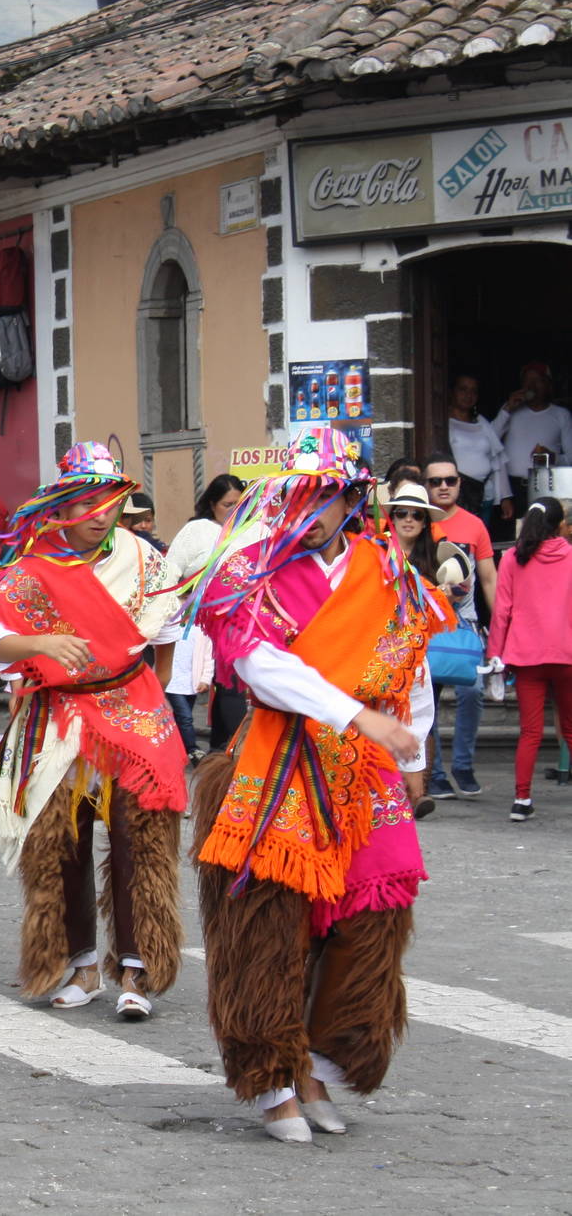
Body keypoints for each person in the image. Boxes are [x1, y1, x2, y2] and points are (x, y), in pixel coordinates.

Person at [188, 425, 443, 1143]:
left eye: (321, 493)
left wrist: (411, 743)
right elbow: (263, 665)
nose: (306, 507)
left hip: (366, 769)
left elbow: (410, 662)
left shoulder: (388, 569)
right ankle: (270, 1073)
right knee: (267, 924)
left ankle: (322, 1065)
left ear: (350, 497)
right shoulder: (248, 570)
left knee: (375, 917)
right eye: (293, 491)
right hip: (277, 756)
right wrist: (356, 714)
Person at [0, 442, 186, 1020]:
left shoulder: (146, 561)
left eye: (109, 501)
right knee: (60, 844)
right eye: (85, 502)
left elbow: (164, 645)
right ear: (62, 506)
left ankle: (138, 969)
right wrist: (39, 644)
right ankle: (81, 964)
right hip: (59, 716)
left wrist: (145, 706)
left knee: (138, 841)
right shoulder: (33, 570)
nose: (98, 513)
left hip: (132, 714)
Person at [487, 496, 572, 824]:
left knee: (530, 732)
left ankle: (522, 799)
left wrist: (495, 652)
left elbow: (502, 611)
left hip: (526, 656)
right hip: (566, 653)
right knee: (569, 727)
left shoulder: (511, 557)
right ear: (560, 525)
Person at [161, 474, 251, 760]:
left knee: (231, 685)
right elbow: (170, 572)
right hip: (194, 621)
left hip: (235, 620)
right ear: (212, 504)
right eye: (228, 505)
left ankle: (225, 750)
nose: (233, 511)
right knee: (185, 688)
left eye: (240, 505)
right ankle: (185, 747)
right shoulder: (197, 531)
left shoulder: (253, 531)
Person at [378, 481, 448, 820]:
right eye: (401, 513)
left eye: (415, 515)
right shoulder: (374, 554)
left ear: (423, 522)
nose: (408, 520)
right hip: (379, 649)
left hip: (415, 653)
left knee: (418, 716)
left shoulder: (431, 560)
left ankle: (417, 793)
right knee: (383, 718)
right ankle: (388, 788)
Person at [423, 455, 491, 798]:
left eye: (450, 480)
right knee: (427, 702)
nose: (444, 487)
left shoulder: (475, 525)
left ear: (460, 483)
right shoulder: (418, 523)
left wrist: (497, 631)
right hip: (428, 625)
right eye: (436, 481)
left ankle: (463, 766)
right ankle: (434, 775)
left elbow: (489, 579)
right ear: (426, 486)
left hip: (466, 625)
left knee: (473, 693)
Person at [493, 361, 572, 524]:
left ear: (548, 386)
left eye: (538, 381)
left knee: (545, 535)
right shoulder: (510, 411)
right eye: (527, 381)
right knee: (514, 537)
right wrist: (508, 408)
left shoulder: (561, 415)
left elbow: (570, 457)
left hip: (547, 486)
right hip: (512, 489)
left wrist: (552, 457)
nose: (532, 386)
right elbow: (488, 439)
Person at [444, 375, 510, 522]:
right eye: (463, 389)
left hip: (484, 495)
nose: (469, 395)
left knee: (480, 540)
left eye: (474, 391)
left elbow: (497, 459)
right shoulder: (443, 422)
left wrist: (505, 497)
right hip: (456, 496)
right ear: (451, 392)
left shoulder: (481, 422)